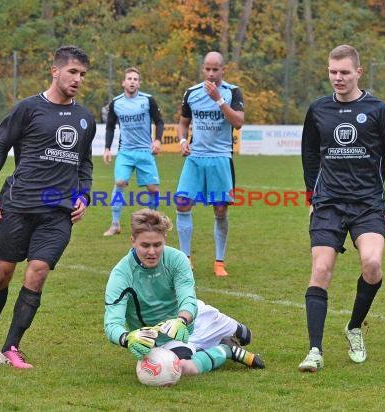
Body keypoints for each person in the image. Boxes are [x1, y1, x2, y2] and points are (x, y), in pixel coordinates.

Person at [0, 45, 96, 369]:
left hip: (58, 213)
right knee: (2, 272)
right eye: (72, 72)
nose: (77, 79)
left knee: (37, 273)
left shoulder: (85, 119)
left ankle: (11, 348)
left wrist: (84, 196)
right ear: (55, 71)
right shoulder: (28, 108)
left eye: (82, 74)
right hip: (18, 205)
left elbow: (85, 164)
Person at [299, 44, 385, 372]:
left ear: (358, 72)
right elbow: (309, 155)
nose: (338, 78)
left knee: (372, 264)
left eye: (344, 72)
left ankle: (354, 327)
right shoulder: (318, 110)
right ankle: (315, 351)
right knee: (320, 271)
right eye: (333, 72)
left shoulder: (378, 110)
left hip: (368, 205)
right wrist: (311, 196)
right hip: (329, 203)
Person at [104, 208, 265, 378]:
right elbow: (112, 324)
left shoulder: (177, 259)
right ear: (133, 241)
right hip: (164, 337)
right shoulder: (121, 275)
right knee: (181, 367)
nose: (152, 252)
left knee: (245, 336)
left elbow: (187, 297)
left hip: (193, 316)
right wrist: (127, 338)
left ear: (165, 239)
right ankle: (225, 351)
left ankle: (216, 342)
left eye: (157, 245)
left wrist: (181, 320)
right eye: (145, 245)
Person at [175, 51, 245, 277]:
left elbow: (238, 122)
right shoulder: (191, 93)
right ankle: (185, 259)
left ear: (223, 69)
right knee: (182, 203)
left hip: (220, 158)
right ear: (203, 69)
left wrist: (218, 99)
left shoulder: (232, 92)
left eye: (216, 69)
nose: (211, 73)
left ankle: (219, 262)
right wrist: (183, 140)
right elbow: (183, 123)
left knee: (220, 209)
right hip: (195, 159)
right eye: (208, 69)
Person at [103, 67, 164, 236]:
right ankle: (115, 224)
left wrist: (158, 140)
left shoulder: (148, 100)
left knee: (153, 190)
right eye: (129, 78)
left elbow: (159, 121)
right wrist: (107, 148)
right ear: (123, 82)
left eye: (135, 79)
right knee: (120, 182)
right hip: (126, 152)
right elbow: (110, 127)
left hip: (145, 151)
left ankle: (153, 223)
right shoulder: (116, 103)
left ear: (139, 83)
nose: (132, 81)